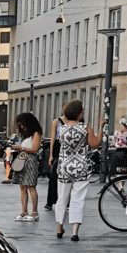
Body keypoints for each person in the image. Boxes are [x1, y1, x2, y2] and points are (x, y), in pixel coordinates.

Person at [51, 99, 102, 243]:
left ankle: (59, 227)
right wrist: (100, 127)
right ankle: (74, 232)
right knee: (77, 199)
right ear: (80, 114)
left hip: (64, 166)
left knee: (62, 198)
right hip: (81, 167)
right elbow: (95, 144)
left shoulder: (62, 128)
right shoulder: (86, 127)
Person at [11, 111, 43, 223]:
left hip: (30, 161)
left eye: (22, 124)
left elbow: (35, 149)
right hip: (22, 160)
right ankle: (24, 211)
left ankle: (34, 212)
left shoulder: (36, 133)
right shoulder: (26, 135)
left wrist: (21, 148)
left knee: (31, 186)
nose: (21, 127)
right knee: (22, 187)